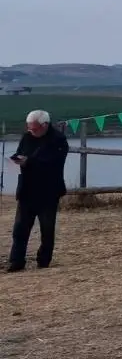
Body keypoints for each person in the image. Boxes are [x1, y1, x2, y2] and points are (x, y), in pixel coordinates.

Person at [7, 110, 69, 272]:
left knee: (47, 229)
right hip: (27, 189)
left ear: (45, 126)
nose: (31, 132)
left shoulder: (59, 140)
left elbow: (52, 163)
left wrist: (29, 161)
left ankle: (43, 261)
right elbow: (21, 152)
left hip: (48, 191)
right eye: (29, 129)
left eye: (34, 129)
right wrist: (18, 158)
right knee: (20, 228)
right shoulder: (27, 137)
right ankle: (16, 261)